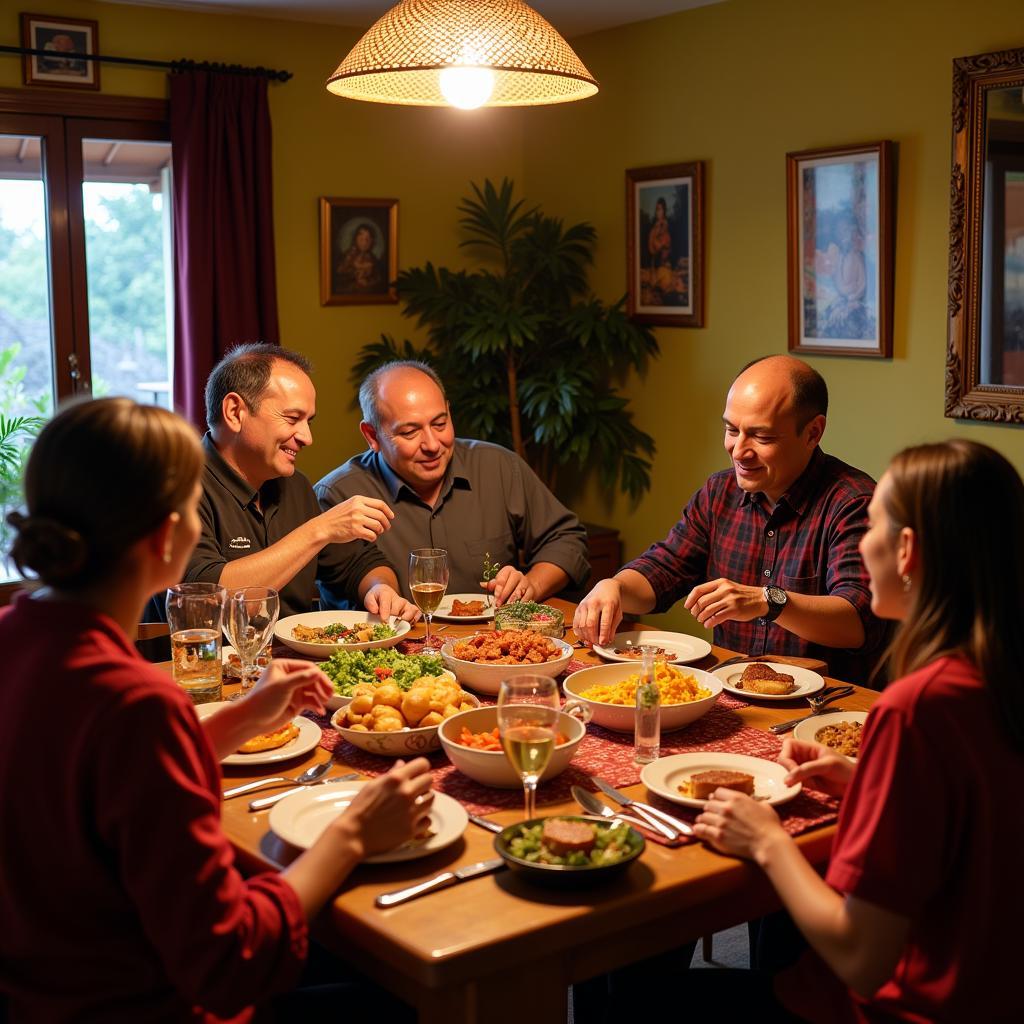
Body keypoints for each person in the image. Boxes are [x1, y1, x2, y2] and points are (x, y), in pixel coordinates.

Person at [0, 397, 432, 1022]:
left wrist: (244, 717)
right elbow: (234, 961)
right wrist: (354, 835)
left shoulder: (18, 636)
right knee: (404, 988)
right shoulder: (138, 704)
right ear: (167, 534)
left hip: (36, 989)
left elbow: (99, 784)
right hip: (139, 1001)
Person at [691, 439, 1024, 1021]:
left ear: (907, 551)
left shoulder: (917, 707)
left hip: (892, 1008)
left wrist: (767, 842)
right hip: (992, 993)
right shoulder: (996, 677)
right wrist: (869, 783)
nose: (859, 544)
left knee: (625, 995)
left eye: (871, 526)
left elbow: (861, 957)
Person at [574, 354, 887, 684]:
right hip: (731, 694)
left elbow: (858, 623)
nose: (739, 450)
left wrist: (767, 600)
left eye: (761, 437)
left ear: (812, 432)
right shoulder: (719, 491)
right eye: (731, 430)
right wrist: (614, 587)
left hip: (823, 707)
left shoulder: (854, 502)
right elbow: (665, 568)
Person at [315, 360, 590, 606]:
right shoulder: (337, 494)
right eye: (410, 432)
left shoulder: (499, 467)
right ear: (372, 435)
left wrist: (532, 583)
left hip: (493, 649)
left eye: (440, 423)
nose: (433, 445)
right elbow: (347, 578)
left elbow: (566, 540)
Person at [185, 343, 417, 620]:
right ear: (235, 412)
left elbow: (359, 563)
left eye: (309, 421)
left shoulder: (294, 486)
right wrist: (319, 530)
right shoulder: (177, 487)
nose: (307, 437)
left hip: (294, 661)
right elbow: (204, 602)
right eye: (293, 418)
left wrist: (381, 588)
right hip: (209, 662)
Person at [336, 222, 386, 294]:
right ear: (356, 239)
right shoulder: (349, 255)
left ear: (372, 242)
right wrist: (354, 274)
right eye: (361, 239)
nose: (365, 242)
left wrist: (368, 282)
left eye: (368, 239)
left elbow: (378, 278)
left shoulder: (373, 259)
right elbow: (340, 272)